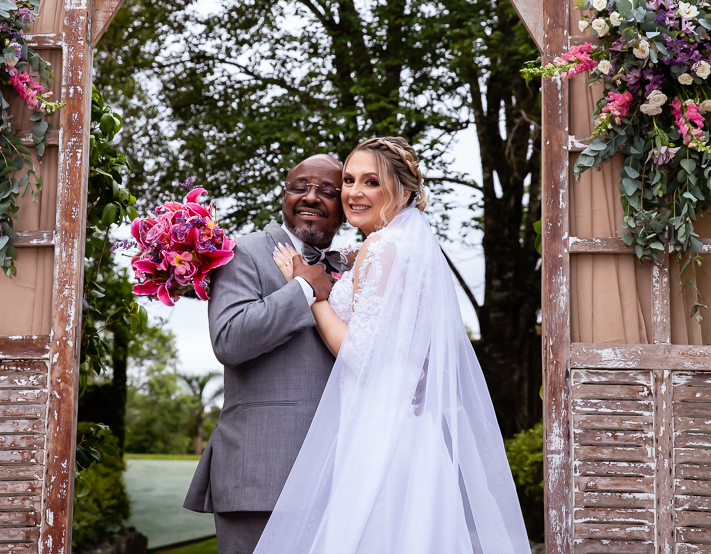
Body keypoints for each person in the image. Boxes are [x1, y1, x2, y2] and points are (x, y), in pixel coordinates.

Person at [257, 137, 528, 554]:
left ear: (402, 192)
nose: (353, 192)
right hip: (410, 425)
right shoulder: (404, 246)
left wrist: (312, 293)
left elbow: (359, 354)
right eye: (349, 180)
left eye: (371, 182)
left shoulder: (383, 247)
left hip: (379, 427)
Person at [184, 154, 351, 554]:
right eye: (300, 187)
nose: (311, 197)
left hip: (341, 478)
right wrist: (303, 290)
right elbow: (229, 339)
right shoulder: (243, 252)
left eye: (327, 191)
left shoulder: (352, 266)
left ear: (345, 204)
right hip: (261, 477)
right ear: (284, 195)